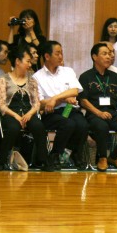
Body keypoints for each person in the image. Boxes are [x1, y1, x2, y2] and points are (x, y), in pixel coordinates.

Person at [79, 43, 117, 172]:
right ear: (94, 57)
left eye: (109, 54)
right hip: (94, 114)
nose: (109, 56)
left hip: (112, 113)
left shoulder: (114, 76)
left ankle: (114, 156)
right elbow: (83, 101)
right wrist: (98, 113)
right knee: (101, 126)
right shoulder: (85, 76)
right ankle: (102, 158)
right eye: (104, 54)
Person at [0, 45, 54, 172]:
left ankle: (44, 160)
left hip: (28, 113)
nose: (30, 64)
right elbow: (2, 105)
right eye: (27, 61)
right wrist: (16, 116)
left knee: (38, 126)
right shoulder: (3, 80)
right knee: (13, 128)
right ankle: (1, 159)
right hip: (10, 114)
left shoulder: (32, 80)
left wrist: (29, 114)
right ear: (18, 61)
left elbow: (36, 103)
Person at [33, 41, 89, 170]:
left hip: (69, 109)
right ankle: (55, 154)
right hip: (51, 112)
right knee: (68, 124)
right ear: (47, 56)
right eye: (57, 53)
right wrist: (63, 99)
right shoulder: (37, 77)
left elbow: (75, 91)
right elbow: (41, 103)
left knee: (83, 125)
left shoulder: (67, 71)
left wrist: (55, 98)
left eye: (61, 53)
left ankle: (74, 153)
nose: (61, 56)